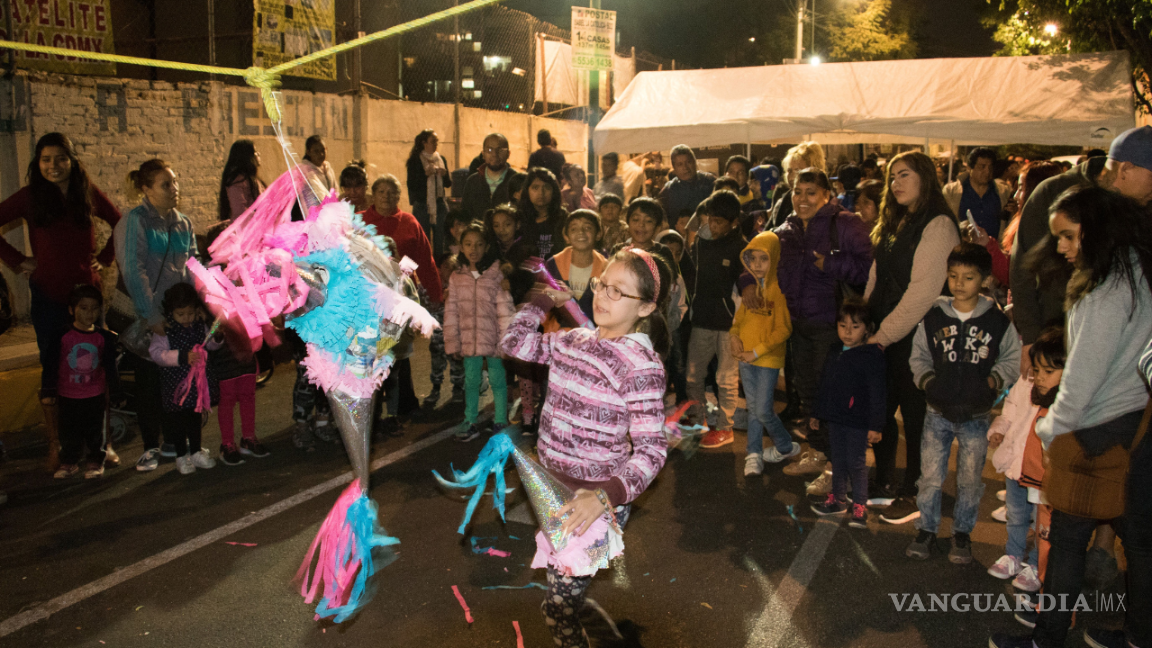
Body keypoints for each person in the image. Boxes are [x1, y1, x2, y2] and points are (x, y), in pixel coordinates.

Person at [991, 185, 1152, 648]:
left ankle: (1048, 638)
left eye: (1067, 235)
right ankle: (1139, 636)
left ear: (1095, 230)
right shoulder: (1137, 270)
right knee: (1139, 540)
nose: (1060, 246)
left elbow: (1080, 381)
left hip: (1095, 430)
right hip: (1134, 421)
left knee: (1066, 540)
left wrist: (1049, 427)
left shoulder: (1105, 292)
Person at [498, 248, 670, 648]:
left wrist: (603, 497)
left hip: (594, 503)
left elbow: (652, 451)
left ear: (645, 306)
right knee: (563, 595)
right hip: (551, 491)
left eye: (618, 291)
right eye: (602, 284)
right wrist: (542, 301)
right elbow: (513, 342)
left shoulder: (640, 366)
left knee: (557, 605)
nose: (603, 296)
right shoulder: (572, 340)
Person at [0, 132, 121, 469]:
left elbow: (119, 221)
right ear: (37, 163)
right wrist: (18, 260)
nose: (53, 166)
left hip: (88, 298)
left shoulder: (86, 191)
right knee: (54, 369)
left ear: (72, 160)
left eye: (60, 158)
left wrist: (105, 257)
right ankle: (57, 444)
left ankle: (103, 443)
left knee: (97, 368)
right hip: (49, 297)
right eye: (46, 160)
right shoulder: (30, 196)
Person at [906, 242, 1020, 561]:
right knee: (930, 476)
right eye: (953, 275)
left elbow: (1011, 359)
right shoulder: (934, 316)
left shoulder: (996, 321)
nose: (959, 283)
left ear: (985, 279)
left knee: (970, 481)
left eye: (968, 277)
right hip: (936, 411)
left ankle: (962, 534)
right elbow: (919, 356)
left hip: (976, 414)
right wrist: (929, 383)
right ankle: (927, 529)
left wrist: (991, 383)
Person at [865, 151, 961, 521]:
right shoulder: (896, 219)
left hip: (917, 337)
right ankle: (884, 480)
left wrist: (883, 335)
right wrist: (866, 320)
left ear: (925, 177)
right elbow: (877, 273)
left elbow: (923, 293)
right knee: (880, 408)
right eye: (892, 177)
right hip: (885, 332)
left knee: (917, 415)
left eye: (904, 175)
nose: (895, 183)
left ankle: (917, 492)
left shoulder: (938, 224)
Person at [1010, 128, 1152, 373]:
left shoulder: (1139, 205)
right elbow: (1023, 270)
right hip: (1055, 344)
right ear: (1126, 169)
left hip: (1118, 352)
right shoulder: (1052, 193)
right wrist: (1031, 338)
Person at [768, 168, 873, 486]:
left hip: (833, 325)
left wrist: (830, 264)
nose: (802, 199)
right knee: (809, 394)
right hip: (798, 325)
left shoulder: (845, 223)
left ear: (827, 195)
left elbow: (868, 268)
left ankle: (838, 467)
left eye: (811, 192)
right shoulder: (786, 229)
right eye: (797, 191)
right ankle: (818, 451)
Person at [114, 158, 197, 471]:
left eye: (175, 182)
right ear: (146, 189)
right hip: (147, 317)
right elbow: (132, 270)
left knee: (174, 380)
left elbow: (193, 265)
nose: (174, 188)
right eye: (166, 184)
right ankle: (150, 446)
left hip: (177, 317)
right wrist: (151, 316)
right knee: (149, 382)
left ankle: (172, 441)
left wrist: (198, 305)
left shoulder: (182, 223)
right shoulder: (135, 221)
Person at [985, 326, 1065, 593]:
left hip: (1043, 474)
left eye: (1048, 371)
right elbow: (1010, 410)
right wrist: (998, 429)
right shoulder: (1026, 382)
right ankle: (1013, 555)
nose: (1039, 376)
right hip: (1016, 465)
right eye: (1037, 368)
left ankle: (1034, 565)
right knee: (1016, 515)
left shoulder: (1065, 401)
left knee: (1042, 524)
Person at [809, 300, 885, 527]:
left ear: (867, 328)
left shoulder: (871, 355)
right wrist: (817, 412)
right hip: (835, 417)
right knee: (837, 459)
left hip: (857, 420)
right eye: (843, 326)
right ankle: (838, 499)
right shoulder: (835, 350)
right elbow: (825, 383)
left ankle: (860, 505)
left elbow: (878, 392)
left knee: (856, 463)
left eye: (855, 326)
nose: (848, 332)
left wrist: (876, 425)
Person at [41, 285, 122, 479]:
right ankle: (69, 462)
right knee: (69, 431)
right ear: (71, 310)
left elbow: (110, 367)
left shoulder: (103, 337)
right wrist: (48, 390)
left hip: (95, 394)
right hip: (67, 394)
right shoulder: (62, 335)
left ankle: (95, 461)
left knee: (95, 431)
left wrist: (116, 392)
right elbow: (51, 365)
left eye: (94, 308)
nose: (89, 313)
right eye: (83, 308)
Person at [730, 230, 794, 476]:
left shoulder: (779, 289)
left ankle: (785, 445)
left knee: (762, 410)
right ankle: (754, 454)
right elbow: (739, 319)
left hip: (766, 359)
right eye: (753, 259)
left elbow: (784, 329)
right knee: (754, 408)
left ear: (775, 257)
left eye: (763, 258)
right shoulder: (751, 288)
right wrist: (734, 335)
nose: (757, 264)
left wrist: (756, 352)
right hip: (746, 358)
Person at [686, 191, 747, 448]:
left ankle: (725, 427)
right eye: (711, 219)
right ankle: (698, 420)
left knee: (726, 378)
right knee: (693, 374)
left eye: (719, 221)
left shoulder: (741, 247)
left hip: (729, 323)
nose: (713, 225)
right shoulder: (700, 241)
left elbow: (745, 285)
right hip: (702, 317)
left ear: (734, 222)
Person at [444, 222, 514, 442]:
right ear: (461, 247)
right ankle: (470, 421)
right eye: (468, 244)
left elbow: (505, 311)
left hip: (494, 339)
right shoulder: (457, 277)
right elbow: (451, 311)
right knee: (472, 381)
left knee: (498, 380)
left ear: (487, 247)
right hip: (468, 340)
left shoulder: (496, 274)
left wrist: (507, 341)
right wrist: (453, 341)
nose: (473, 249)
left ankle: (500, 419)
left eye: (479, 244)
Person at [148, 283, 220, 475]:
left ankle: (196, 451)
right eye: (181, 314)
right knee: (178, 421)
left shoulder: (199, 325)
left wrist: (217, 337)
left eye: (190, 313)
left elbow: (210, 344)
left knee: (195, 418)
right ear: (171, 312)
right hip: (175, 385)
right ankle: (181, 455)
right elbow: (156, 353)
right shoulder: (166, 330)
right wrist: (181, 357)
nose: (186, 318)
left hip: (197, 384)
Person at [359, 175, 443, 308]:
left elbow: (425, 262)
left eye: (391, 192)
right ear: (373, 196)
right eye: (381, 192)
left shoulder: (409, 222)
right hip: (367, 293)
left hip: (404, 292)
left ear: (398, 197)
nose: (386, 196)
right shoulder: (358, 221)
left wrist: (435, 296)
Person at [212, 326, 269, 466]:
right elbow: (209, 341)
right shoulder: (215, 314)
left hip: (246, 359)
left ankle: (248, 438)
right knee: (227, 401)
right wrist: (217, 336)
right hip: (225, 363)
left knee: (248, 397)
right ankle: (227, 444)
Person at [545, 210, 607, 327]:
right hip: (557, 333)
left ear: (598, 234)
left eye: (587, 228)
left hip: (593, 333)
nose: (581, 232)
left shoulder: (605, 268)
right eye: (574, 229)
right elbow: (544, 301)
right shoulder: (553, 264)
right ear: (566, 236)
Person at [943, 147, 1013, 238]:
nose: (987, 171)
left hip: (993, 245)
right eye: (982, 167)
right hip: (964, 245)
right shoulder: (952, 191)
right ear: (969, 168)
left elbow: (1009, 221)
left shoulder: (1003, 191)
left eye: (990, 167)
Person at [425, 252, 465, 407]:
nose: (450, 271)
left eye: (454, 268)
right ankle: (435, 389)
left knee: (457, 364)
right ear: (440, 268)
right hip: (437, 336)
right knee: (437, 364)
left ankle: (458, 389)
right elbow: (425, 304)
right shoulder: (432, 286)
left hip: (455, 336)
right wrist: (440, 298)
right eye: (447, 267)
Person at [406, 129, 452, 258]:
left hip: (439, 203)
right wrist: (425, 175)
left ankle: (439, 263)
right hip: (422, 205)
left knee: (441, 239)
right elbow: (412, 185)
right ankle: (426, 265)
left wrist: (444, 175)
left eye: (437, 141)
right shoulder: (415, 160)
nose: (436, 144)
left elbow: (448, 183)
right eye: (433, 141)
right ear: (424, 143)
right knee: (423, 240)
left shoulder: (440, 159)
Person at [767, 141, 825, 231]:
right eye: (789, 171)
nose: (792, 176)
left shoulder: (824, 201)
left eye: (797, 170)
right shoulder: (783, 200)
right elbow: (769, 232)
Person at [462, 133, 518, 223]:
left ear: (508, 154)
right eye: (489, 150)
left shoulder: (517, 181)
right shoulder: (472, 182)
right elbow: (465, 215)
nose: (494, 154)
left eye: (500, 150)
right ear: (483, 154)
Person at [517, 167, 567, 261]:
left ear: (554, 191)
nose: (541, 192)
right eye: (535, 187)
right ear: (527, 190)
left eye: (547, 187)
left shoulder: (564, 218)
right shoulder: (518, 218)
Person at [658, 146, 716, 224]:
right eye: (680, 164)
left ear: (695, 162)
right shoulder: (668, 190)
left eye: (689, 162)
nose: (685, 167)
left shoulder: (709, 181)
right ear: (674, 168)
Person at [218, 139, 265, 221]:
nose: (258, 154)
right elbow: (239, 212)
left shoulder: (254, 179)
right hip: (247, 227)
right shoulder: (237, 182)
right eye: (255, 152)